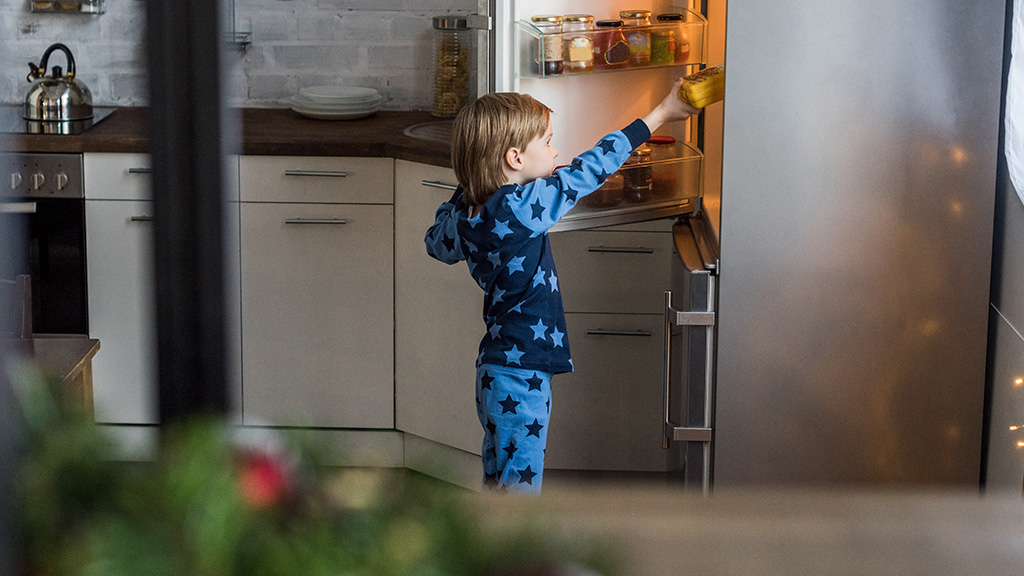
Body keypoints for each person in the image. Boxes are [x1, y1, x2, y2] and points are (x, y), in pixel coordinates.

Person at [424, 79, 699, 493]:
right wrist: (661, 113)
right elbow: (590, 169)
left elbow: (435, 243)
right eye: (548, 142)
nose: (556, 152)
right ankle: (518, 539)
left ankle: (491, 535)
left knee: (500, 479)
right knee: (519, 489)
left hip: (496, 370)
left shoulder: (465, 219)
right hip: (522, 374)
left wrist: (468, 186)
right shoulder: (519, 208)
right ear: (515, 157)